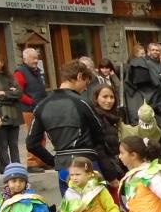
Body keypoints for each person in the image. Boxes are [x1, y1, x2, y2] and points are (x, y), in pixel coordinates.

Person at [25, 59, 103, 196]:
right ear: (79, 76)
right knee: (94, 206)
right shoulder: (83, 102)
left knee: (70, 207)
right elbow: (100, 134)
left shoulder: (42, 106)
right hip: (87, 163)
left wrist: (53, 161)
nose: (85, 88)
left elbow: (31, 143)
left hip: (63, 165)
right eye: (86, 83)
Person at [14, 48, 48, 171]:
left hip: (40, 107)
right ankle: (32, 162)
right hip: (29, 109)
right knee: (33, 136)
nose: (35, 60)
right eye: (32, 58)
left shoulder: (37, 71)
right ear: (25, 59)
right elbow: (19, 93)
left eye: (36, 58)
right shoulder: (20, 72)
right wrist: (32, 102)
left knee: (41, 135)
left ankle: (41, 160)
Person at [89, 84, 126, 187]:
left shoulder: (112, 118)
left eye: (112, 97)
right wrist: (111, 176)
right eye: (105, 97)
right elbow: (99, 149)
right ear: (96, 98)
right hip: (105, 171)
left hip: (116, 166)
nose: (109, 100)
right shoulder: (97, 118)